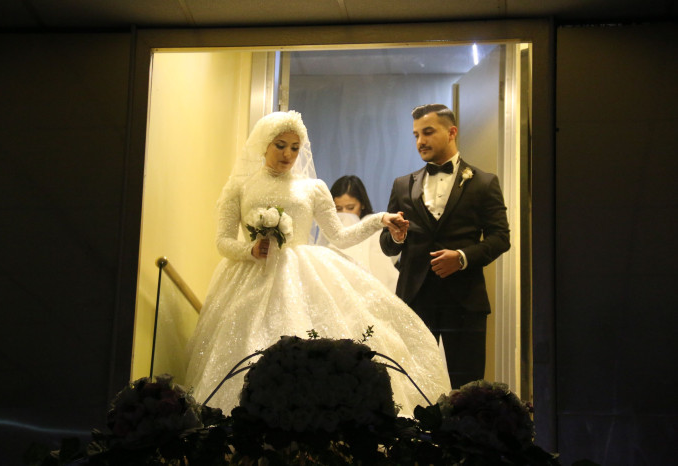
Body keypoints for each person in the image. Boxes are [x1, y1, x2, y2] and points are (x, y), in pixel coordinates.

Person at [185, 111, 451, 416]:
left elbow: (339, 235)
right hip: (249, 277)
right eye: (280, 145)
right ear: (263, 144)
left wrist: (380, 220)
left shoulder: (313, 188)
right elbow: (222, 241)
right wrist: (250, 250)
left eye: (294, 148)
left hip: (302, 276)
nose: (288, 154)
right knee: (244, 346)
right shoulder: (240, 187)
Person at [380, 104, 510, 389]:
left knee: (468, 387)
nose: (420, 141)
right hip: (414, 299)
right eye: (416, 135)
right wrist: (397, 237)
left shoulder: (484, 182)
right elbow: (387, 246)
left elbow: (501, 237)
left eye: (427, 132)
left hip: (464, 301)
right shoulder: (402, 185)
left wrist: (462, 257)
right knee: (413, 384)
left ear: (452, 132)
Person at [317, 175, 399, 292]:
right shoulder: (328, 230)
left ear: (362, 205)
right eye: (338, 209)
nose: (345, 213)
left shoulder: (377, 228)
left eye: (350, 208)